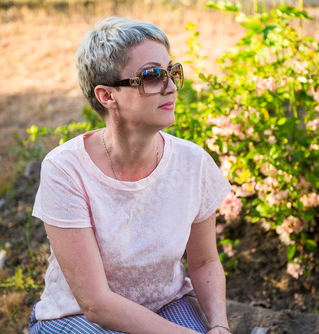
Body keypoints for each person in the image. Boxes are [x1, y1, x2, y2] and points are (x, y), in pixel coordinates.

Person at [28, 16, 232, 334]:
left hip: (166, 304)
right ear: (107, 96)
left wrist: (219, 326)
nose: (172, 86)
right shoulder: (65, 170)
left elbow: (204, 263)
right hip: (77, 317)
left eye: (172, 72)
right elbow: (94, 303)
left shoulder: (192, 162)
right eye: (151, 76)